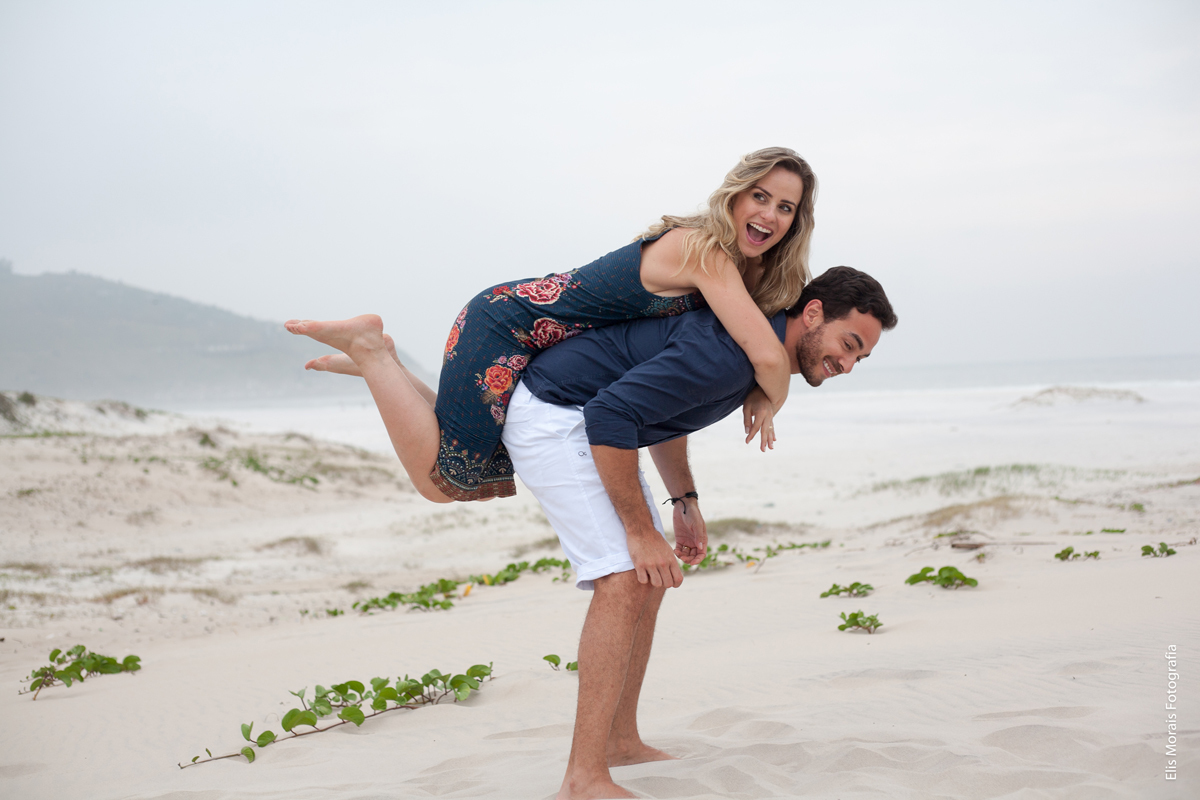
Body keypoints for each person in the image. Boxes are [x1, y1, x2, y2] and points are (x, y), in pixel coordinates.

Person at [297, 266, 897, 799]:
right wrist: (640, 531)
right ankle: (582, 779)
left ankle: (620, 742)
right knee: (620, 574)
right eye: (849, 344)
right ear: (812, 312)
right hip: (560, 414)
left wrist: (682, 500)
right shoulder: (733, 356)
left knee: (647, 578)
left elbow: (659, 410)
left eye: (860, 357)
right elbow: (612, 416)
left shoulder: (749, 345)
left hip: (580, 412)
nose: (847, 364)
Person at [286, 147, 818, 504]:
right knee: (441, 485)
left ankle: (382, 362)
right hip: (505, 327)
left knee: (455, 445)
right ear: (735, 195)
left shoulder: (729, 266)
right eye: (760, 196)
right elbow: (768, 357)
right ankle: (372, 353)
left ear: (797, 221)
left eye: (785, 207)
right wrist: (770, 401)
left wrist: (684, 495)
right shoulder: (704, 252)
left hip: (527, 342)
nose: (769, 215)